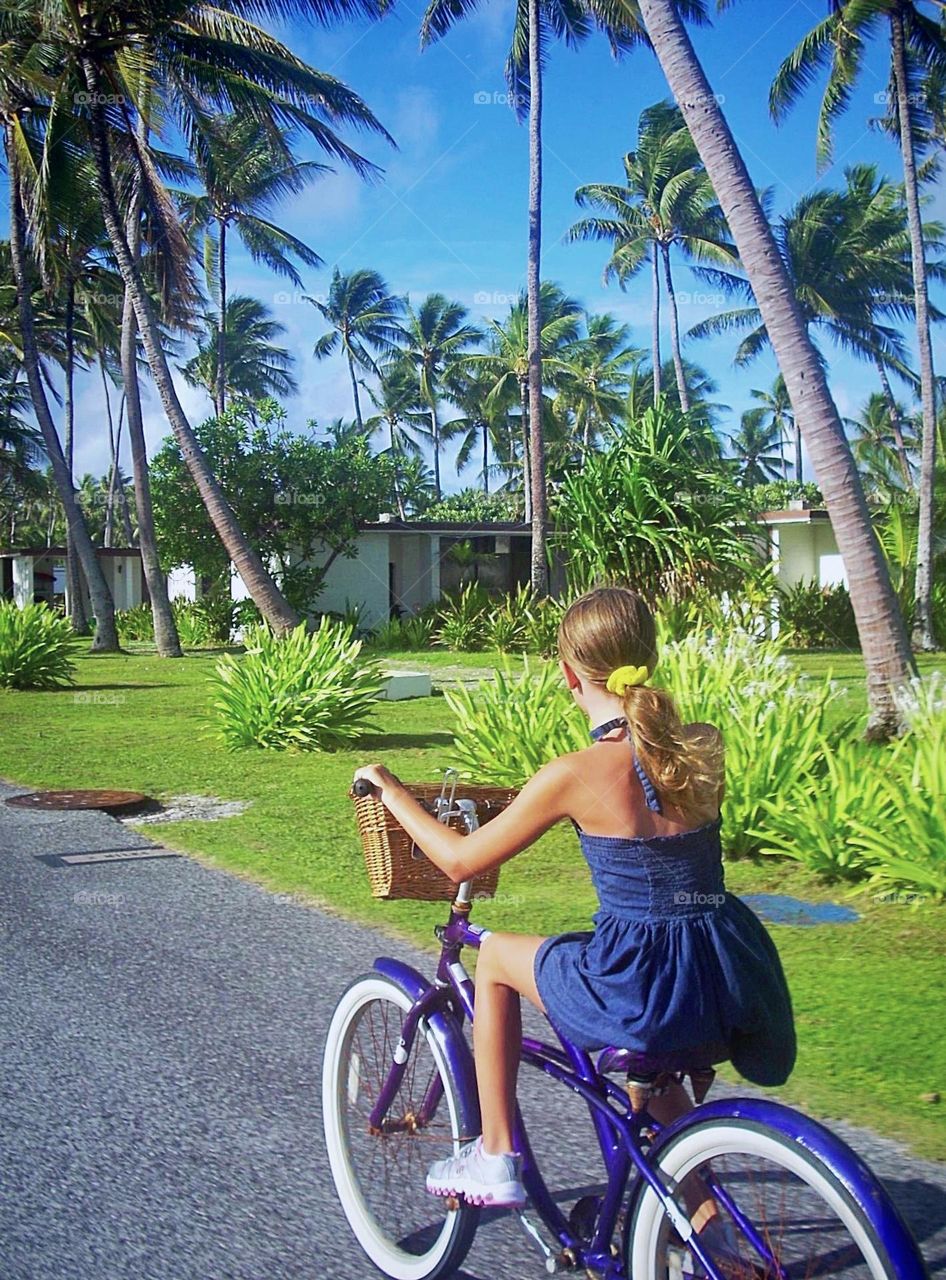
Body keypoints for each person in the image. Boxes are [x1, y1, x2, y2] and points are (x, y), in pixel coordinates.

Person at [352, 585, 796, 1239]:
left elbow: (461, 861)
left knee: (499, 954)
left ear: (569, 675)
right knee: (652, 1095)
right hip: (718, 968)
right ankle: (715, 1239)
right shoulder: (702, 747)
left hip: (641, 979)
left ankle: (496, 1154)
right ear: (648, 657)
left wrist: (390, 789)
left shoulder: (578, 773)